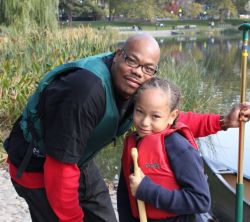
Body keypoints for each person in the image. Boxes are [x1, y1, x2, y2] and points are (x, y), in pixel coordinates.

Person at [3, 33, 250, 222]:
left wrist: (222, 122)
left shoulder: (137, 86)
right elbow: (60, 169)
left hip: (80, 160)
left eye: (148, 68)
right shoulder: (84, 92)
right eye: (132, 60)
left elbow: (165, 118)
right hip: (38, 166)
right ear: (117, 54)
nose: (138, 72)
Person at [118, 77, 211, 222]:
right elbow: (124, 195)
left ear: (172, 116)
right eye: (140, 111)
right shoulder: (132, 143)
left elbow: (201, 201)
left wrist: (146, 190)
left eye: (155, 116)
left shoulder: (179, 148)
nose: (144, 122)